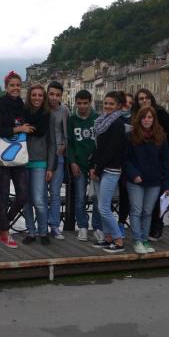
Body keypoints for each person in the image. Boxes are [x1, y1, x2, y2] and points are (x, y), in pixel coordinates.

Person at [123, 107, 169, 255]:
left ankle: (145, 239)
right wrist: (133, 174)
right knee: (136, 210)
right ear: (139, 119)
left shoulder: (161, 137)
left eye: (150, 117)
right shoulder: (131, 136)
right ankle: (137, 239)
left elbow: (165, 162)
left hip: (154, 181)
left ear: (154, 119)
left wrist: (167, 185)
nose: (147, 120)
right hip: (136, 181)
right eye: (144, 117)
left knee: (148, 212)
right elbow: (125, 159)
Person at [0, 71, 34, 248]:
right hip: (2, 155)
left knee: (23, 195)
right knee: (3, 193)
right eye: (12, 85)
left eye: (18, 85)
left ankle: (5, 223)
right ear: (6, 87)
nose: (16, 88)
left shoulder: (23, 105)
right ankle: (4, 232)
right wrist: (16, 130)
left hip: (19, 153)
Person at [132, 88, 169, 241]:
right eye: (140, 98)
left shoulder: (161, 117)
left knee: (153, 205)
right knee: (138, 208)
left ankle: (153, 230)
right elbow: (128, 155)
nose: (144, 101)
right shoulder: (133, 125)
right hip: (137, 173)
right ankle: (139, 236)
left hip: (156, 168)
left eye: (146, 98)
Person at [89, 91, 126, 253]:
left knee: (104, 206)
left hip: (111, 169)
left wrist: (97, 168)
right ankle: (107, 238)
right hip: (102, 168)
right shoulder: (102, 121)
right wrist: (93, 165)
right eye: (106, 103)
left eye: (111, 104)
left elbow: (111, 150)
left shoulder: (117, 124)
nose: (107, 106)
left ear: (118, 106)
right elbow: (100, 148)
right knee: (101, 205)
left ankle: (118, 240)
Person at [66, 90, 102, 242]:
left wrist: (98, 164)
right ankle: (82, 226)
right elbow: (70, 144)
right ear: (76, 102)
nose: (82, 106)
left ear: (90, 102)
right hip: (79, 165)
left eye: (85, 103)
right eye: (79, 103)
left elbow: (102, 144)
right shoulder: (72, 120)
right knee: (80, 197)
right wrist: (72, 162)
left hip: (95, 165)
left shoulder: (98, 118)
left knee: (97, 198)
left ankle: (97, 227)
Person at [22, 84, 54, 245]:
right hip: (22, 161)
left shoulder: (48, 116)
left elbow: (52, 143)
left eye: (40, 95)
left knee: (39, 200)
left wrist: (50, 167)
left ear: (44, 97)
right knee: (26, 200)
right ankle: (30, 231)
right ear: (29, 96)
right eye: (34, 95)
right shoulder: (22, 114)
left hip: (40, 162)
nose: (37, 98)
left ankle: (43, 232)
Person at [47, 81, 69, 239]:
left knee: (55, 193)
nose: (54, 97)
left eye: (57, 95)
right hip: (42, 157)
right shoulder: (42, 108)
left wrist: (64, 145)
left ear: (61, 96)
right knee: (39, 194)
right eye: (52, 94)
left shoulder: (64, 110)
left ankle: (54, 226)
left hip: (58, 157)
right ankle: (40, 225)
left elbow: (67, 133)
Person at [116, 92, 134, 237]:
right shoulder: (113, 118)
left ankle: (122, 223)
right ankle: (106, 228)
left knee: (125, 196)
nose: (127, 105)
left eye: (130, 103)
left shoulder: (136, 119)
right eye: (125, 102)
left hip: (128, 163)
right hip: (114, 162)